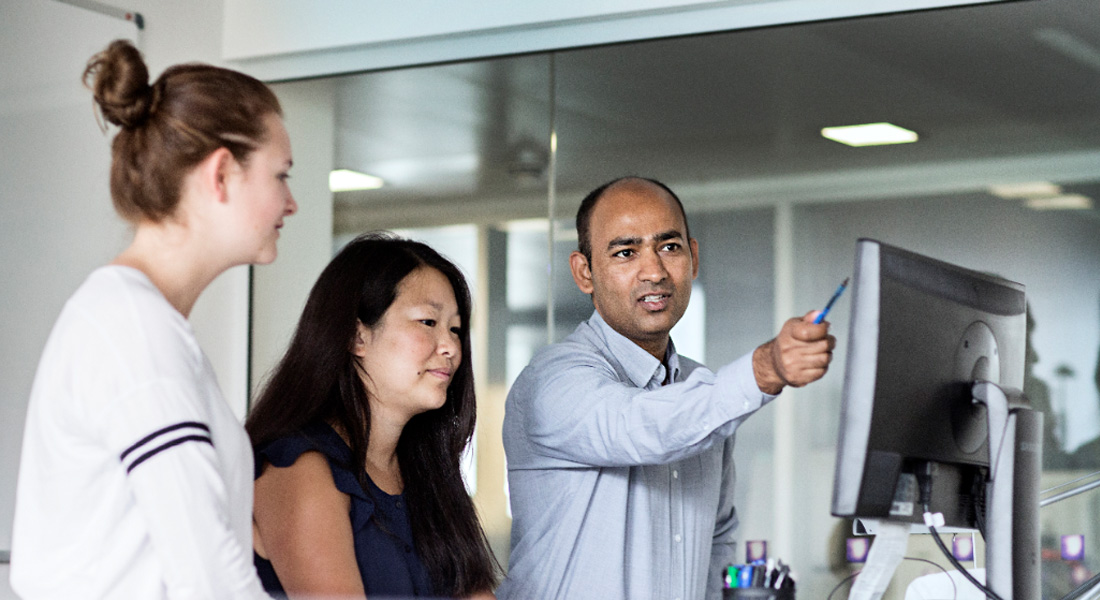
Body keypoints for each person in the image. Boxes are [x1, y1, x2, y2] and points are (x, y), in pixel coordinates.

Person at [10, 40, 295, 599]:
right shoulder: (133, 329)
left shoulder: (143, 323)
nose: (291, 203)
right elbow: (208, 574)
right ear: (221, 174)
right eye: (281, 175)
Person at [498, 176, 836, 600]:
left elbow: (717, 540)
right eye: (626, 252)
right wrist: (765, 368)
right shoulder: (552, 380)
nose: (654, 271)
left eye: (670, 247)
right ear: (585, 273)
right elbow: (641, 427)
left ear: (693, 258)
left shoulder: (697, 388)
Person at [245, 233, 499, 599]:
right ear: (357, 336)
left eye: (455, 329)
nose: (450, 347)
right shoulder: (299, 466)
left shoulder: (428, 475)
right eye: (428, 322)